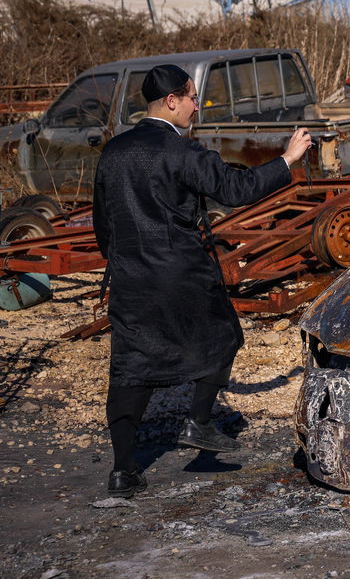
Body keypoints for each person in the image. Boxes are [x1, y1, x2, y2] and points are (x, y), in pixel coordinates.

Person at [95, 64, 313, 498]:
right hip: (182, 273)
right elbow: (236, 189)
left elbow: (104, 223)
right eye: (193, 97)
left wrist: (122, 263)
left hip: (130, 278)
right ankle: (198, 420)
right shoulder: (182, 152)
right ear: (171, 101)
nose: (198, 106)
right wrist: (287, 160)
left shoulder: (113, 152)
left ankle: (123, 472)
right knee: (224, 336)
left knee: (130, 369)